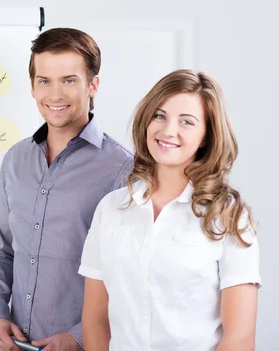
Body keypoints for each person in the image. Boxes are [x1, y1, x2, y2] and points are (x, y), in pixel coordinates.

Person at [80, 69, 261, 351]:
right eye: (160, 116)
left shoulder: (228, 216)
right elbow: (95, 320)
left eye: (186, 122)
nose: (168, 131)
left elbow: (239, 338)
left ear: (206, 136)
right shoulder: (111, 209)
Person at [0, 28, 133, 351]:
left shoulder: (123, 170)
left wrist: (79, 337)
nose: (55, 95)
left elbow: (131, 277)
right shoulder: (15, 160)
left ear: (93, 85)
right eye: (44, 81)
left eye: (69, 80)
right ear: (33, 87)